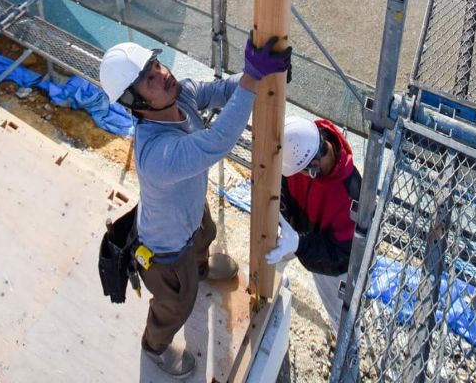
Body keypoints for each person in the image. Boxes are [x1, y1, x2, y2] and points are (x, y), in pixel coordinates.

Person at [99, 36, 292, 379]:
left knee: (205, 235)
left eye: (156, 65)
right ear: (135, 100)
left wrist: (258, 76)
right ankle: (154, 347)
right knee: (177, 303)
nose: (162, 74)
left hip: (189, 212)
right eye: (149, 78)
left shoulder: (180, 94)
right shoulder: (156, 152)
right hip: (166, 248)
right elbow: (216, 142)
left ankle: (200, 271)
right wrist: (251, 78)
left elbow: (219, 91)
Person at [265, 115, 360, 333]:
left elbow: (342, 254)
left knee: (341, 313)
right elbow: (281, 183)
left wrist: (299, 244)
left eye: (305, 173)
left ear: (314, 167)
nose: (301, 177)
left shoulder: (351, 195)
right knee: (271, 256)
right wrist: (281, 218)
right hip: (296, 229)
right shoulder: (298, 143)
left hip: (330, 258)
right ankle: (275, 283)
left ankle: (347, 353)